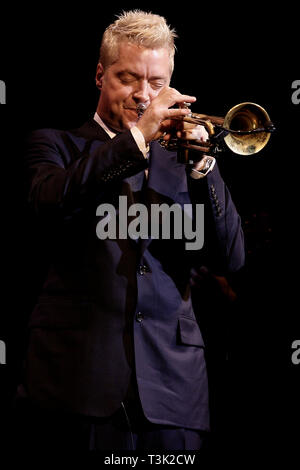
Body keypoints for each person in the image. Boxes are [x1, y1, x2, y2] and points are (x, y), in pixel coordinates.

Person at [14, 10, 244, 452]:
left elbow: (230, 258)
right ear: (100, 75)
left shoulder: (187, 163)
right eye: (128, 78)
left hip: (174, 396)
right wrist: (139, 137)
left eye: (157, 83)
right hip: (73, 388)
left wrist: (204, 168)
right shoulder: (55, 145)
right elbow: (48, 203)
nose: (144, 95)